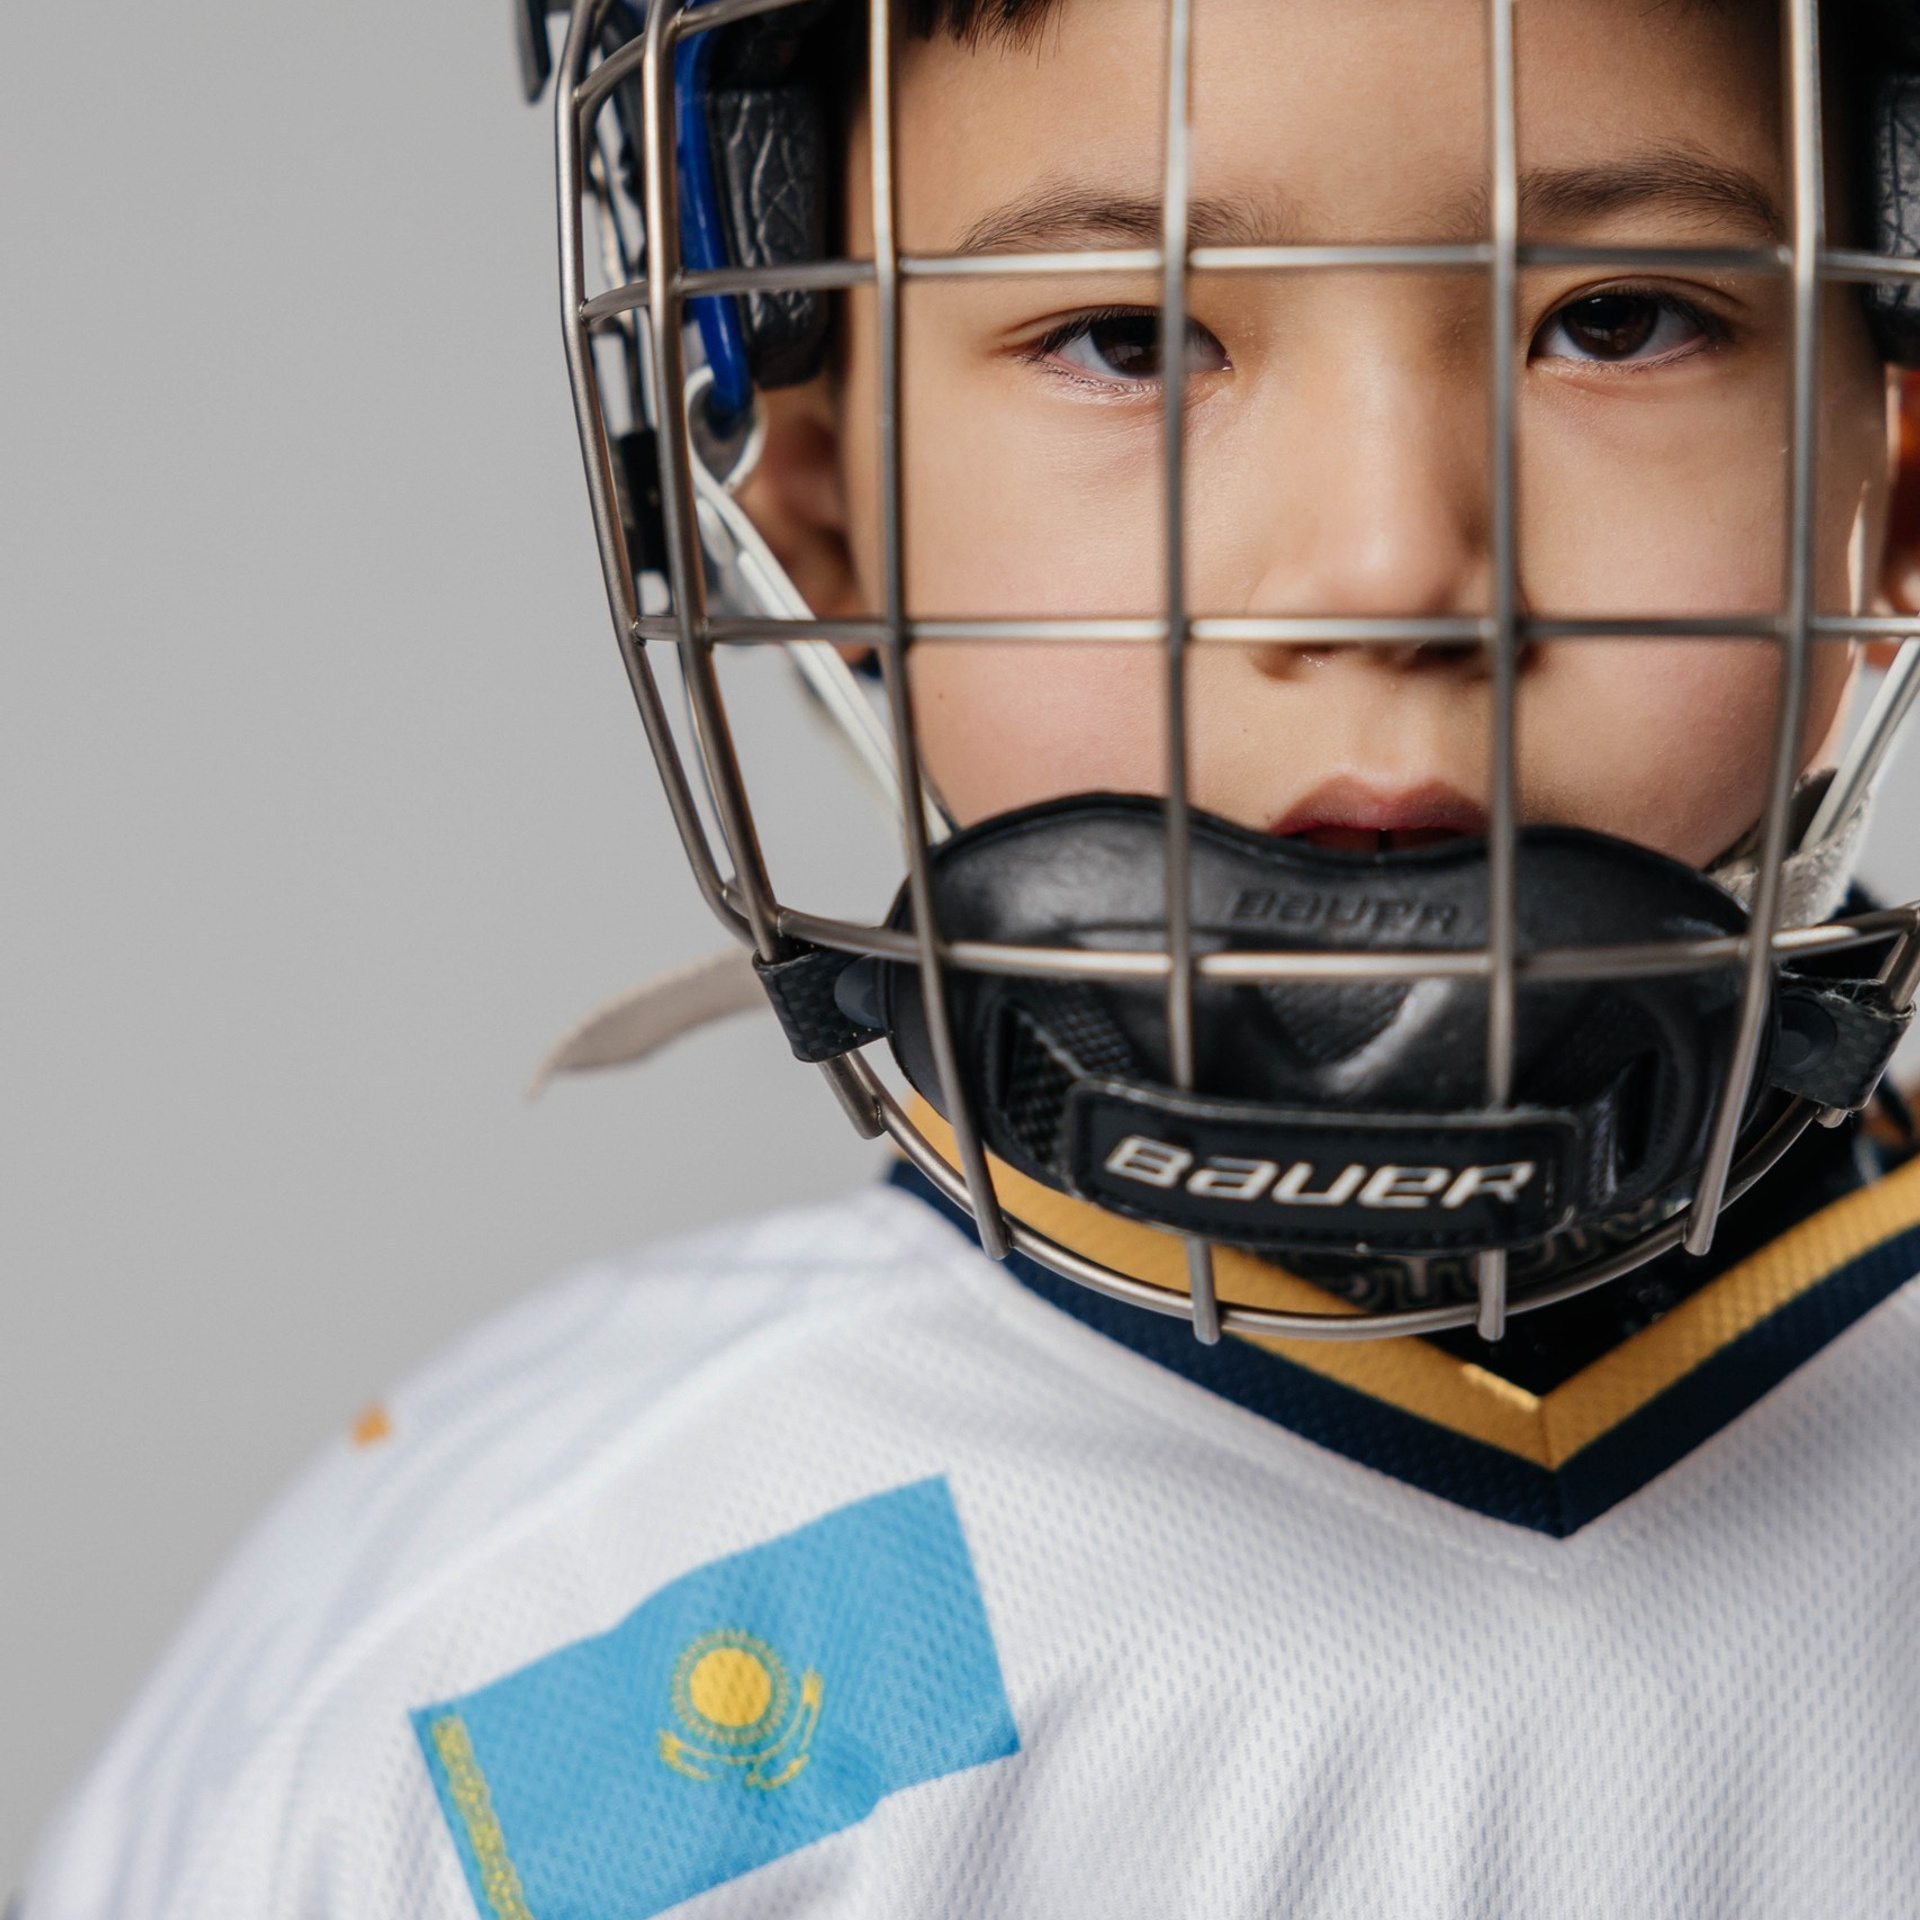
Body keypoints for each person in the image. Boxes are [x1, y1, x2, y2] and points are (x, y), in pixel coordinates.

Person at [20, 0, 1920, 1913]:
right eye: (1127, 338)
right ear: (820, 504)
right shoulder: (551, 1676)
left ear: (1894, 484)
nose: (1386, 567)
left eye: (1617, 320)